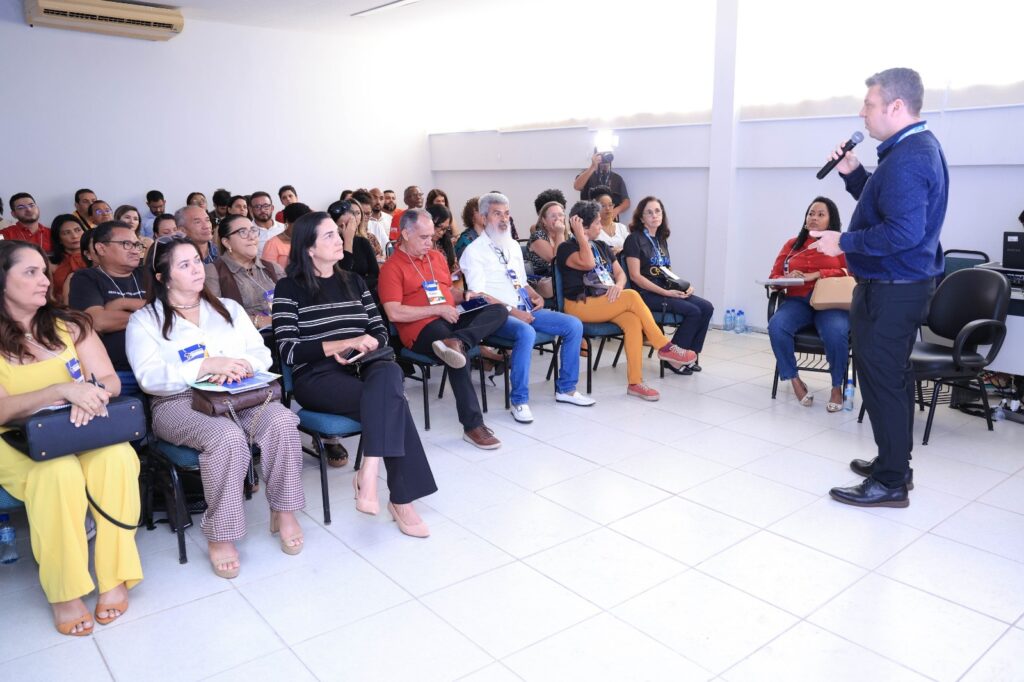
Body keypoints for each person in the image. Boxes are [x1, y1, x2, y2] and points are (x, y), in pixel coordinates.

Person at [126, 235, 306, 577]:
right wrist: (205, 366)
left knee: (282, 421)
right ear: (163, 277)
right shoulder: (145, 320)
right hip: (178, 402)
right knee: (226, 438)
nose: (197, 269)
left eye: (197, 260)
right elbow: (149, 378)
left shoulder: (227, 308)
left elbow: (261, 353)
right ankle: (222, 534)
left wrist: (240, 365)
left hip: (238, 392)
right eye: (184, 265)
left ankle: (284, 510)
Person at [812, 67, 948, 508]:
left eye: (869, 104)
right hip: (896, 283)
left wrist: (843, 242)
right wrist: (854, 174)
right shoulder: (910, 149)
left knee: (884, 380)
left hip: (892, 287)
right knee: (888, 376)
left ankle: (890, 481)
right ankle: (894, 464)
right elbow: (887, 206)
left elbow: (903, 232)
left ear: (896, 106)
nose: (862, 112)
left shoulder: (910, 157)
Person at [0, 240, 142, 636]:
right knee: (56, 474)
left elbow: (110, 380)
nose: (44, 281)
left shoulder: (71, 325)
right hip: (16, 437)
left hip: (82, 424)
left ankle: (114, 577)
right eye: (30, 272)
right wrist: (61, 391)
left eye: (44, 272)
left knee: (117, 458)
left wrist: (91, 394)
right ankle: (65, 591)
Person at [273, 212, 437, 536]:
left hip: (366, 364)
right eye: (329, 236)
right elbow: (288, 351)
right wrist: (344, 343)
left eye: (338, 233)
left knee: (388, 372)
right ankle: (401, 500)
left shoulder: (354, 281)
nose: (340, 240)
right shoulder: (288, 288)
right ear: (308, 248)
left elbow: (380, 330)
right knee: (393, 402)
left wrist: (368, 343)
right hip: (318, 375)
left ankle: (369, 468)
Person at [460, 193, 595, 422]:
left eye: (506, 213)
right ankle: (519, 400)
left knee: (573, 324)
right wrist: (515, 313)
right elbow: (479, 297)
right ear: (483, 218)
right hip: (496, 316)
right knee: (526, 332)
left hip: (524, 308)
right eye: (497, 214)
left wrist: (535, 295)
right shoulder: (473, 251)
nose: (504, 219)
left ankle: (566, 389)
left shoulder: (512, 245)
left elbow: (521, 282)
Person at [379, 209, 508, 449]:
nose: (430, 242)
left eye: (432, 236)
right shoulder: (391, 268)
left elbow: (446, 291)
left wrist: (466, 295)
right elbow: (394, 312)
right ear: (405, 234)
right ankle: (472, 426)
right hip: (420, 329)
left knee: (497, 309)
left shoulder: (436, 257)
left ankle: (458, 341)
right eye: (424, 237)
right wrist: (437, 310)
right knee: (456, 356)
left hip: (450, 318)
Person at [557, 200, 696, 401]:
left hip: (605, 301)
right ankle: (664, 346)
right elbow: (588, 263)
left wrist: (618, 286)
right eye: (597, 223)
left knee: (633, 321)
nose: (601, 225)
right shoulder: (566, 248)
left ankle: (635, 383)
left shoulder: (602, 245)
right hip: (580, 305)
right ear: (583, 227)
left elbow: (620, 274)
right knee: (631, 296)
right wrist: (580, 236)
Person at [766, 197, 850, 410]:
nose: (814, 217)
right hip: (798, 302)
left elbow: (850, 272)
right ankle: (795, 380)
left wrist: (818, 274)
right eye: (811, 213)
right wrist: (787, 277)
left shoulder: (840, 245)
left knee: (836, 331)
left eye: (821, 214)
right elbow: (774, 277)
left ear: (831, 221)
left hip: (830, 303)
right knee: (777, 325)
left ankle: (837, 387)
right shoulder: (792, 245)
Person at [623, 196, 714, 374]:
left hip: (665, 289)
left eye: (658, 211)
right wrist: (666, 293)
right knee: (693, 311)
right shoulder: (633, 239)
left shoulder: (661, 239)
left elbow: (666, 272)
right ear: (641, 218)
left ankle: (689, 355)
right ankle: (673, 359)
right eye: (649, 212)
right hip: (645, 294)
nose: (654, 215)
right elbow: (635, 276)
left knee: (707, 307)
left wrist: (684, 287)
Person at [69, 221, 148, 397]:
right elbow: (97, 321)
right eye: (126, 244)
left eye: (137, 245)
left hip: (158, 367)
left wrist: (120, 303)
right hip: (117, 375)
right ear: (101, 248)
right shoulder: (86, 278)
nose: (135, 250)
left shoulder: (147, 274)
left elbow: (170, 309)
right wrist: (151, 312)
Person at [204, 214, 284, 330]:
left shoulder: (273, 268)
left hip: (282, 332)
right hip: (245, 336)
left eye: (253, 230)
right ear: (226, 242)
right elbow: (215, 315)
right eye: (243, 232)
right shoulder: (213, 271)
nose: (251, 237)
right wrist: (258, 321)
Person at [573, 151, 630, 217]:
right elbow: (577, 186)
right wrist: (593, 166)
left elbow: (626, 202)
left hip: (609, 218)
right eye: (602, 156)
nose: (605, 159)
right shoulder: (587, 174)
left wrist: (616, 210)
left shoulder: (617, 178)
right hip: (589, 218)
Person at [49, 214, 87, 302]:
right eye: (67, 233)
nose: (75, 236)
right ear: (59, 239)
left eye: (78, 230)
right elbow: (50, 296)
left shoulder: (96, 257)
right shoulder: (51, 263)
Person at [263, 202, 310, 270]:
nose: (303, 229)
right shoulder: (272, 244)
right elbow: (269, 272)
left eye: (306, 225)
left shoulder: (310, 239)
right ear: (287, 222)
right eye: (299, 225)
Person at [528, 201, 567, 277]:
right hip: (542, 277)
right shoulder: (537, 236)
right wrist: (559, 233)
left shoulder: (568, 235)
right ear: (544, 220)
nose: (558, 219)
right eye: (553, 216)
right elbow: (557, 260)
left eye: (560, 215)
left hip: (562, 275)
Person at [591, 186, 629, 255]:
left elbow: (631, 247)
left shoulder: (621, 227)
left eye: (610, 205)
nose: (608, 208)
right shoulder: (593, 229)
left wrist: (620, 250)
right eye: (603, 206)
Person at [350, 190, 386, 262]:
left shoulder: (372, 237)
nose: (363, 217)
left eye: (368, 213)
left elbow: (384, 254)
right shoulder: (345, 235)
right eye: (359, 213)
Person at [249, 191, 285, 256]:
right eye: (257, 207)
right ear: (251, 210)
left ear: (272, 208)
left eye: (266, 206)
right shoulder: (247, 232)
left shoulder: (284, 229)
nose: (262, 210)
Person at [427, 204, 458, 275]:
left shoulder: (445, 243)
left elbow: (452, 268)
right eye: (439, 226)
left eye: (445, 229)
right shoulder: (418, 246)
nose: (441, 232)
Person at [367, 188, 393, 257]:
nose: (378, 202)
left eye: (381, 198)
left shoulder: (390, 219)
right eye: (374, 198)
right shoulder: (364, 221)